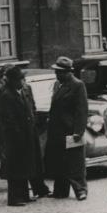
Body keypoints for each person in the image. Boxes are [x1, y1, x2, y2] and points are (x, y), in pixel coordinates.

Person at [0, 65, 46, 206]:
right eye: (21, 79)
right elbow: (9, 119)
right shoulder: (6, 95)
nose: (23, 81)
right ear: (13, 81)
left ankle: (24, 195)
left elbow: (30, 109)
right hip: (14, 137)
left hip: (25, 134)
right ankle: (14, 198)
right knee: (15, 168)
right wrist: (18, 134)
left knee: (24, 165)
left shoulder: (19, 91)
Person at [44, 56, 89, 200]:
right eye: (56, 72)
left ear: (68, 72)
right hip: (57, 130)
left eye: (59, 72)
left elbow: (81, 110)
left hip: (71, 130)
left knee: (75, 161)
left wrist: (78, 131)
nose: (56, 74)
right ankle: (60, 191)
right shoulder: (58, 85)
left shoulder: (78, 85)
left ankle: (80, 190)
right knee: (59, 161)